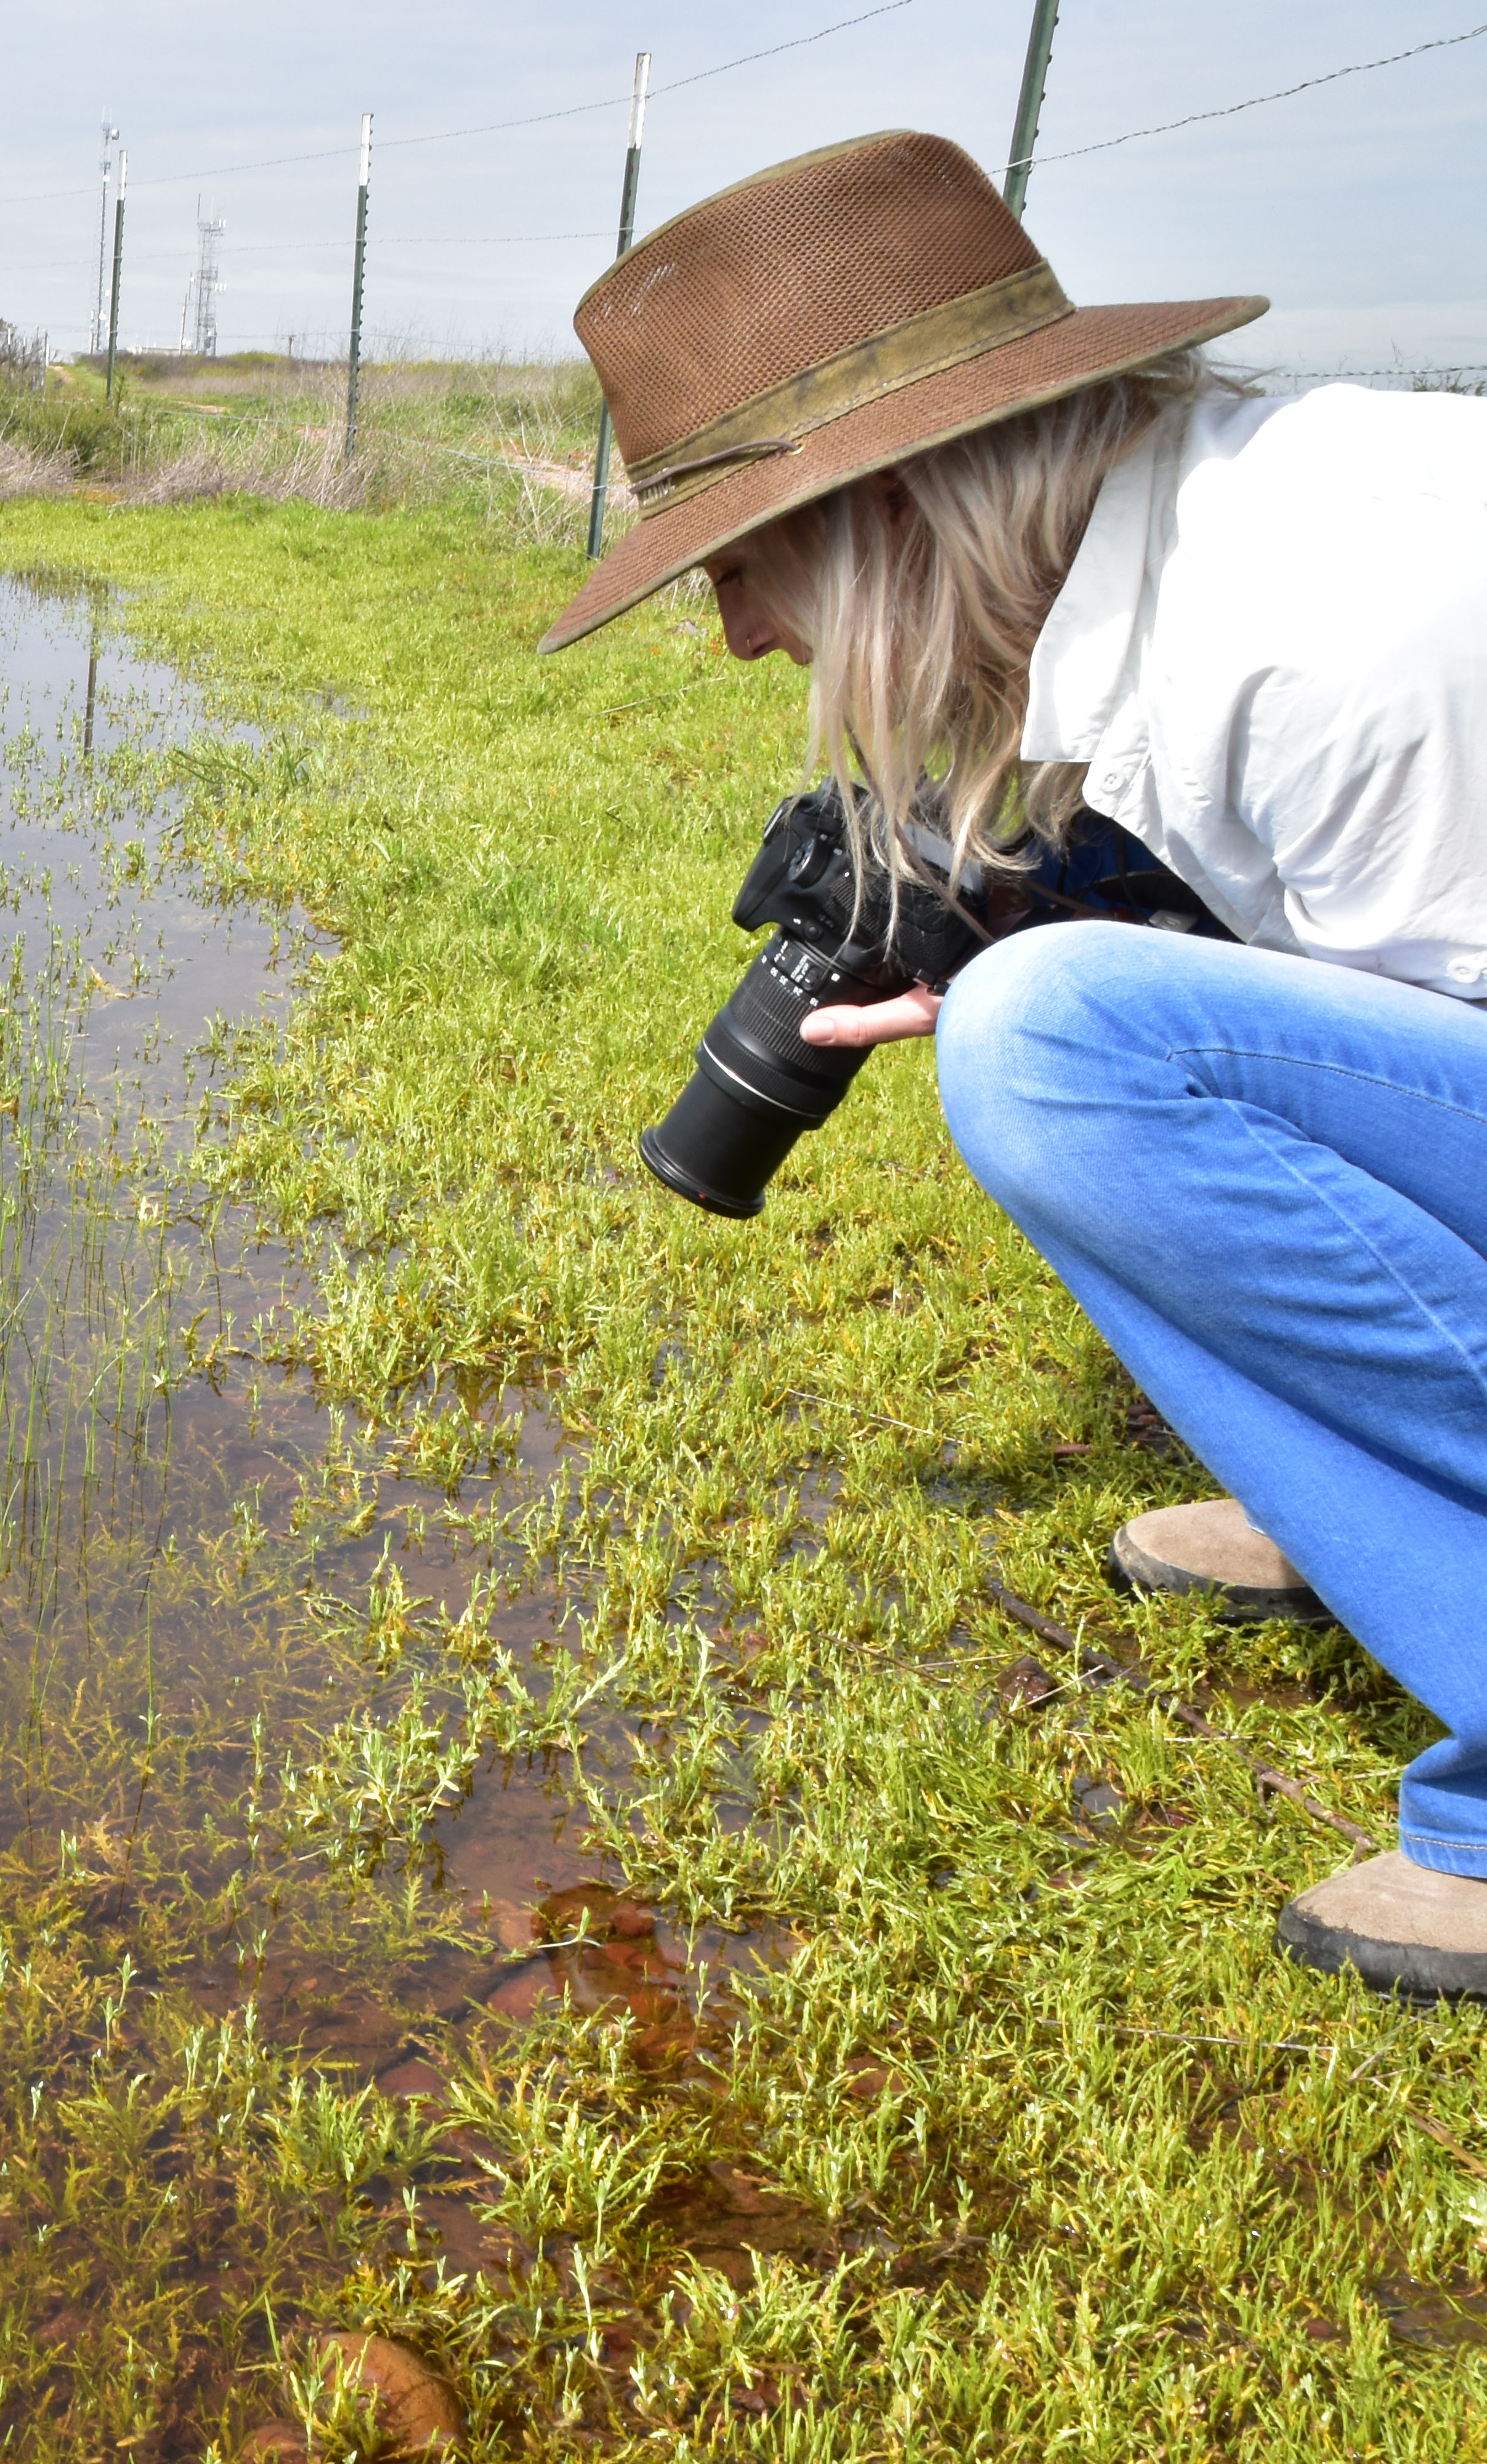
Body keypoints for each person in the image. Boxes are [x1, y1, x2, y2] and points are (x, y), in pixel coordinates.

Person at [543, 131, 1487, 1997]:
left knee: (1057, 1046)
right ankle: (1359, 1508)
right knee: (1064, 1019)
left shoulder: (1321, 645)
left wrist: (1051, 1011)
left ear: (900, 508)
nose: (737, 632)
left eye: (746, 562)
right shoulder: (1234, 546)